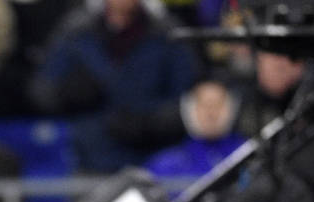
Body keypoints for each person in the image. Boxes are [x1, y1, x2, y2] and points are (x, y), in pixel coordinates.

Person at [29, 0, 199, 173]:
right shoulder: (77, 32)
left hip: (152, 163)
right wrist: (68, 93)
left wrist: (148, 124)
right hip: (90, 161)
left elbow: (188, 99)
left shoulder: (167, 35)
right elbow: (42, 90)